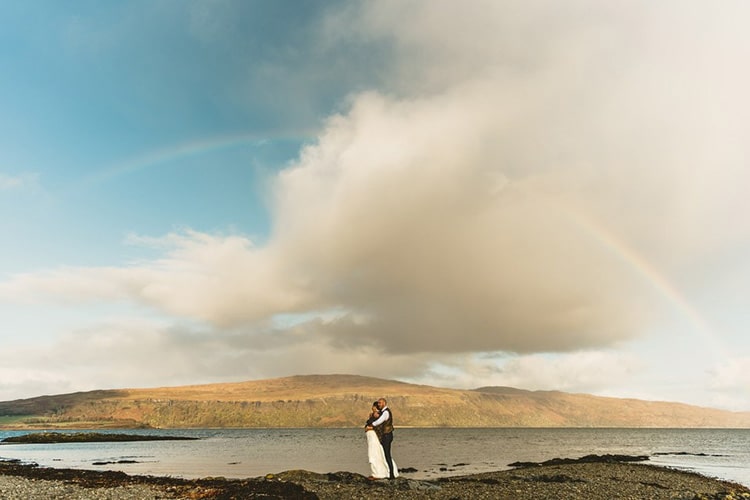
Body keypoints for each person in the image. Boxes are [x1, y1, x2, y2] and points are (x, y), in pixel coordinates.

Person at [366, 397, 396, 480]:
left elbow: (379, 421)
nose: (378, 404)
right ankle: (389, 473)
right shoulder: (383, 412)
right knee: (384, 454)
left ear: (384, 403)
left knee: (387, 455)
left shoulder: (386, 412)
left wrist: (371, 426)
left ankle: (392, 475)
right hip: (385, 435)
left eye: (379, 403)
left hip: (387, 435)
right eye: (378, 403)